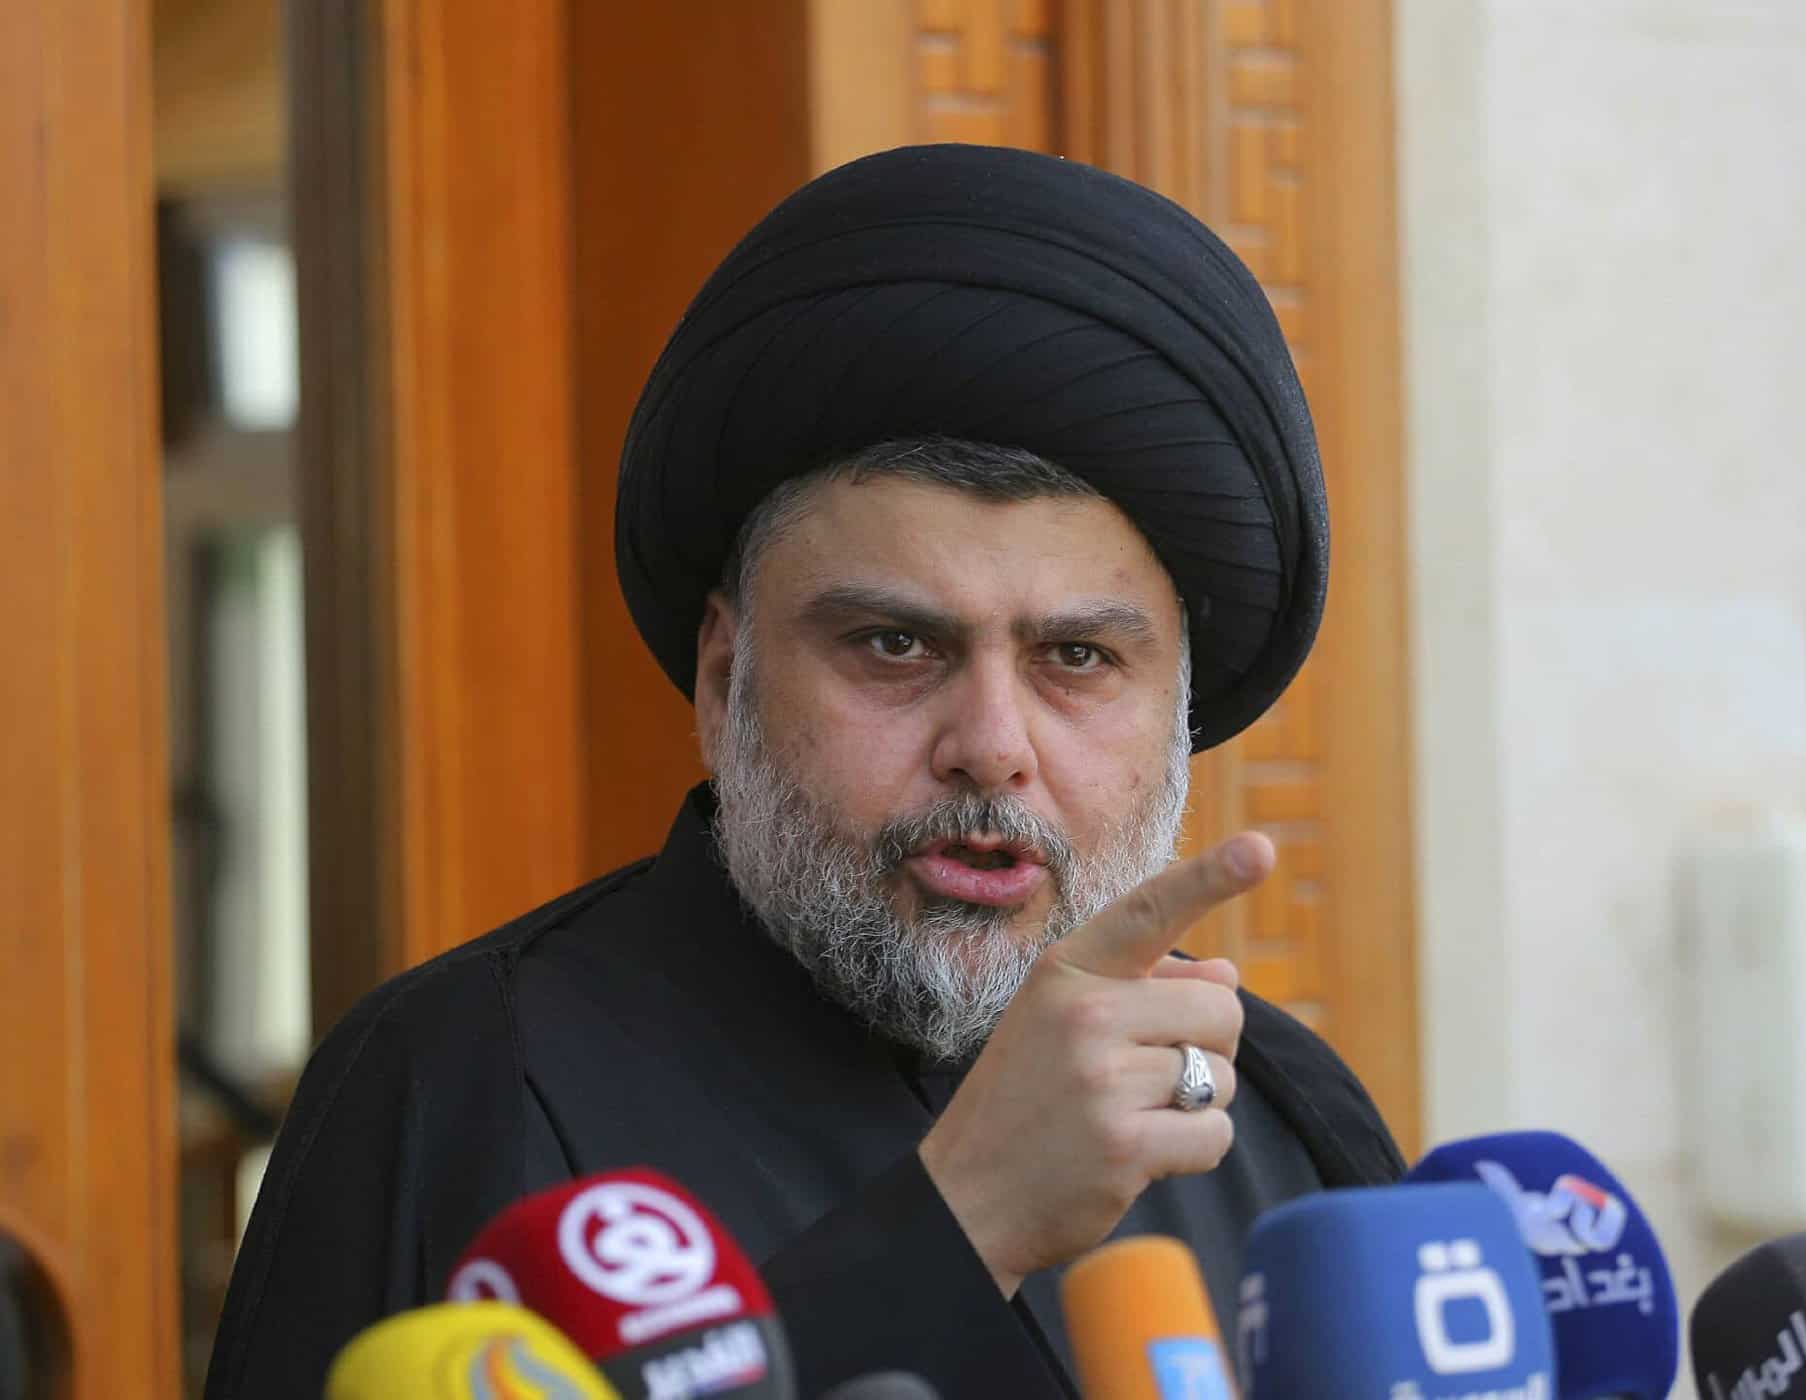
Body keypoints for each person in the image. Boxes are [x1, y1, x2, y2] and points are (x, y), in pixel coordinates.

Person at [205, 144, 1402, 1398]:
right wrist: (964, 1217)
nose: (992, 743)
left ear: (1173, 711)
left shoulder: (1277, 1109)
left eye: (1076, 657)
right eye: (896, 645)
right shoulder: (459, 1078)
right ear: (725, 676)